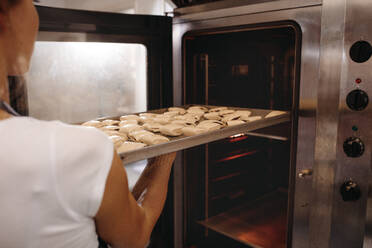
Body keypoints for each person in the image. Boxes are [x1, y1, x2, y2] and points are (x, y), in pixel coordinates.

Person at [0, 0, 176, 247]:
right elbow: (135, 237)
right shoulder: (78, 150)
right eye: (32, 3)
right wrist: (166, 154)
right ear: (4, 16)